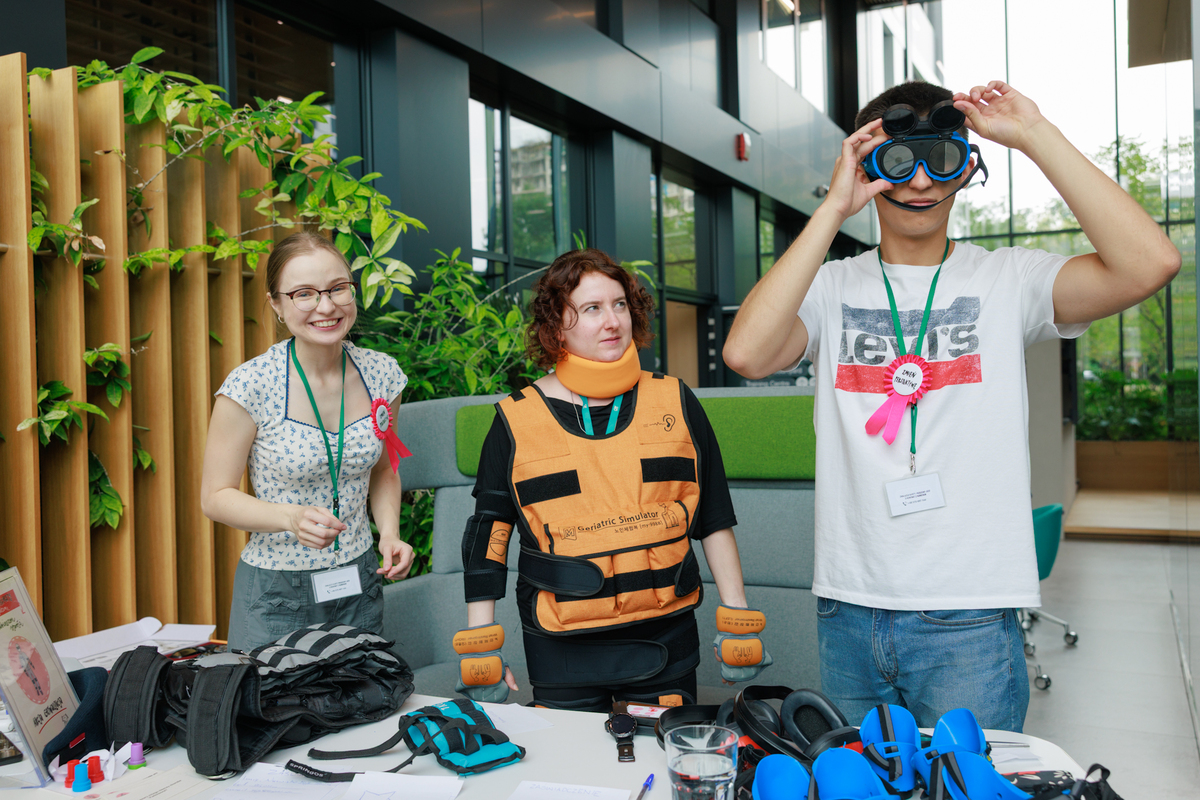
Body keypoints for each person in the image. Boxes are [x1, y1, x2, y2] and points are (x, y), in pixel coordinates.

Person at [723, 80, 1180, 732]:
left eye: (940, 158)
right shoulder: (829, 288)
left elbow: (1150, 263)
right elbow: (746, 353)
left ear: (966, 167)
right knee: (861, 778)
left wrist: (1034, 135)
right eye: (897, 161)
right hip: (849, 606)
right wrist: (833, 208)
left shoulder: (1008, 279)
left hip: (969, 609)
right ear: (868, 167)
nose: (919, 182)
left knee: (968, 778)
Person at [453, 248, 771, 712]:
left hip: (666, 633)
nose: (612, 321)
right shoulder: (514, 420)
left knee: (664, 750)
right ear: (556, 327)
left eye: (620, 304)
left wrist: (737, 617)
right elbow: (490, 535)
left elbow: (714, 515)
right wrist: (481, 644)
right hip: (561, 646)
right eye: (591, 309)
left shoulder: (675, 399)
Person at [201, 232, 415, 652]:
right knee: (272, 695)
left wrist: (389, 533)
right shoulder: (250, 385)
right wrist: (291, 518)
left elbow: (385, 469)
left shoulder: (382, 375)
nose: (326, 306)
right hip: (276, 591)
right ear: (276, 305)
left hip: (358, 580)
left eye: (337, 288)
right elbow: (215, 497)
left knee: (360, 691)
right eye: (304, 294)